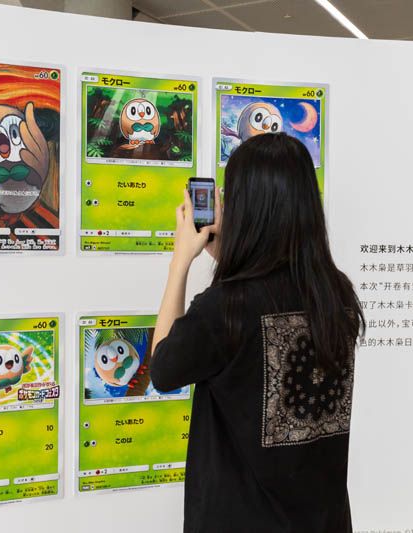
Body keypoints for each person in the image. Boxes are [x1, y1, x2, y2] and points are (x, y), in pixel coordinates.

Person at [150, 132, 364, 533]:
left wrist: (180, 263)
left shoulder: (226, 307)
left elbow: (162, 369)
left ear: (246, 207)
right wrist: (230, 261)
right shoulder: (336, 295)